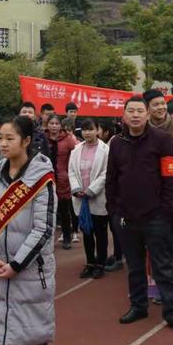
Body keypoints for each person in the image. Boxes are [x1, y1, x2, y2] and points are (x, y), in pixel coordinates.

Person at [0, 116, 56, 345]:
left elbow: (44, 228)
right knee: (10, 322)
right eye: (1, 138)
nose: (3, 144)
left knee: (33, 326)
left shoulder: (41, 178)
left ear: (26, 141)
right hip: (0, 265)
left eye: (10, 138)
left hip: (31, 269)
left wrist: (16, 264)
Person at [105, 96, 173, 335]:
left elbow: (171, 177)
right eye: (130, 111)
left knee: (163, 266)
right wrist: (114, 210)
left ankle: (172, 312)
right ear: (123, 115)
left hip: (156, 216)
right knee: (134, 267)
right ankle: (138, 306)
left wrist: (165, 210)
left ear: (147, 115)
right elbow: (111, 178)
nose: (135, 115)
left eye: (139, 111)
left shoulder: (162, 139)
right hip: (125, 217)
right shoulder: (117, 143)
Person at [69, 118, 110, 279]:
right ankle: (90, 262)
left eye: (91, 129)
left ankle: (100, 263)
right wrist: (76, 188)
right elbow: (71, 170)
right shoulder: (77, 149)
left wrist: (92, 190)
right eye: (85, 130)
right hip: (81, 198)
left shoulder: (105, 150)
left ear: (97, 130)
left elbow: (106, 173)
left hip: (97, 197)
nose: (87, 133)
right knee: (86, 232)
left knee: (100, 233)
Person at [143, 89, 173, 193]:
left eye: (163, 103)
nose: (161, 107)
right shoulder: (142, 129)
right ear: (147, 108)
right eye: (156, 105)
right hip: (147, 189)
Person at [98, 119, 124, 272]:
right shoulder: (109, 144)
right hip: (109, 193)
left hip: (116, 194)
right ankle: (117, 255)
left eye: (98, 129)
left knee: (116, 227)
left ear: (106, 132)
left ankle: (119, 257)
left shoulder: (113, 144)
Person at [55, 116, 78, 249]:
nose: (54, 126)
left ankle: (72, 233)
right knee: (59, 210)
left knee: (69, 208)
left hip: (66, 179)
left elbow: (76, 157)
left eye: (56, 123)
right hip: (51, 179)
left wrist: (70, 173)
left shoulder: (69, 140)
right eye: (51, 123)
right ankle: (65, 235)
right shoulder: (46, 140)